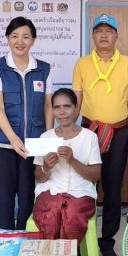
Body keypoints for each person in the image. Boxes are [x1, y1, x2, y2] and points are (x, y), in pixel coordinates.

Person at [72, 13, 128, 256]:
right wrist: (69, 130)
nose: (103, 35)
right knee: (84, 187)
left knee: (113, 188)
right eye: (99, 30)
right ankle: (82, 242)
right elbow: (77, 99)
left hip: (119, 131)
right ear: (93, 36)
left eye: (109, 30)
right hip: (88, 131)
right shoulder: (82, 64)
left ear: (116, 35)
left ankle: (107, 243)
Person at [0, 16, 53, 230]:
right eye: (14, 36)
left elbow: (48, 107)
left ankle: (25, 242)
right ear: (7, 38)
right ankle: (5, 243)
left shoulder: (44, 69)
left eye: (26, 36)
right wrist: (14, 139)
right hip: (3, 143)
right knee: (5, 196)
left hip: (34, 144)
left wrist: (49, 140)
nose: (20, 41)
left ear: (33, 40)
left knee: (27, 195)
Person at [33, 89, 101, 240]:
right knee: (50, 213)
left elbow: (95, 176)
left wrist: (72, 160)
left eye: (67, 106)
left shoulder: (90, 137)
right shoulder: (46, 137)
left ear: (76, 107)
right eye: (57, 107)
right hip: (51, 190)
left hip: (80, 192)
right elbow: (39, 177)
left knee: (72, 214)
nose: (62, 112)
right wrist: (46, 167)